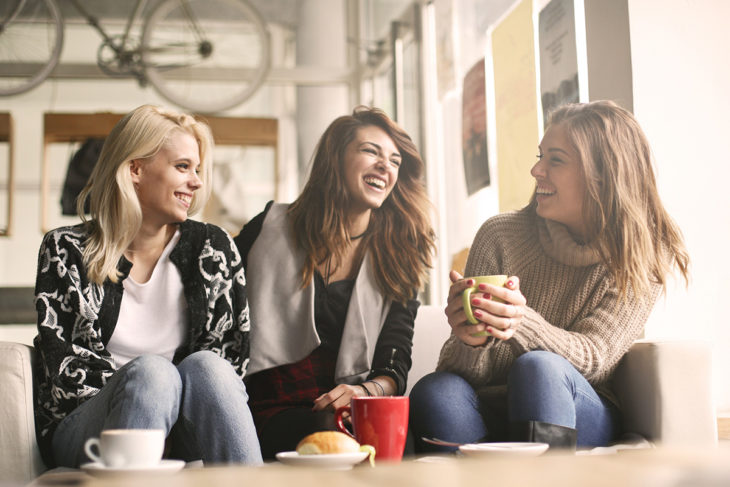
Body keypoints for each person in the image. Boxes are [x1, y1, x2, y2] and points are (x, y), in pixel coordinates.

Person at [409, 100, 690, 451]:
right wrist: (470, 339)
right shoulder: (500, 235)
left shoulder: (637, 255)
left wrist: (518, 323)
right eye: (540, 155)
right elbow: (464, 374)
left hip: (575, 408)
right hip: (488, 411)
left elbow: (595, 357)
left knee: (538, 368)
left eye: (555, 160)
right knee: (435, 390)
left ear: (602, 176)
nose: (536, 170)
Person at [33, 105, 263, 468]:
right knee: (154, 374)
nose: (197, 182)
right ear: (135, 169)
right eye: (183, 167)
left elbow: (232, 355)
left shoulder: (213, 247)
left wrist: (170, 414)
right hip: (87, 425)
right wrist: (155, 402)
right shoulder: (66, 250)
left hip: (182, 422)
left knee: (209, 366)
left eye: (198, 170)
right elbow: (68, 372)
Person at [233, 106, 435, 459]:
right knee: (332, 436)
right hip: (267, 405)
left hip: (351, 407)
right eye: (370, 151)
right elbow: (220, 314)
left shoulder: (399, 255)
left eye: (395, 161)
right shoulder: (267, 227)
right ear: (335, 159)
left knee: (396, 435)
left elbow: (395, 360)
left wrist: (367, 391)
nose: (385, 166)